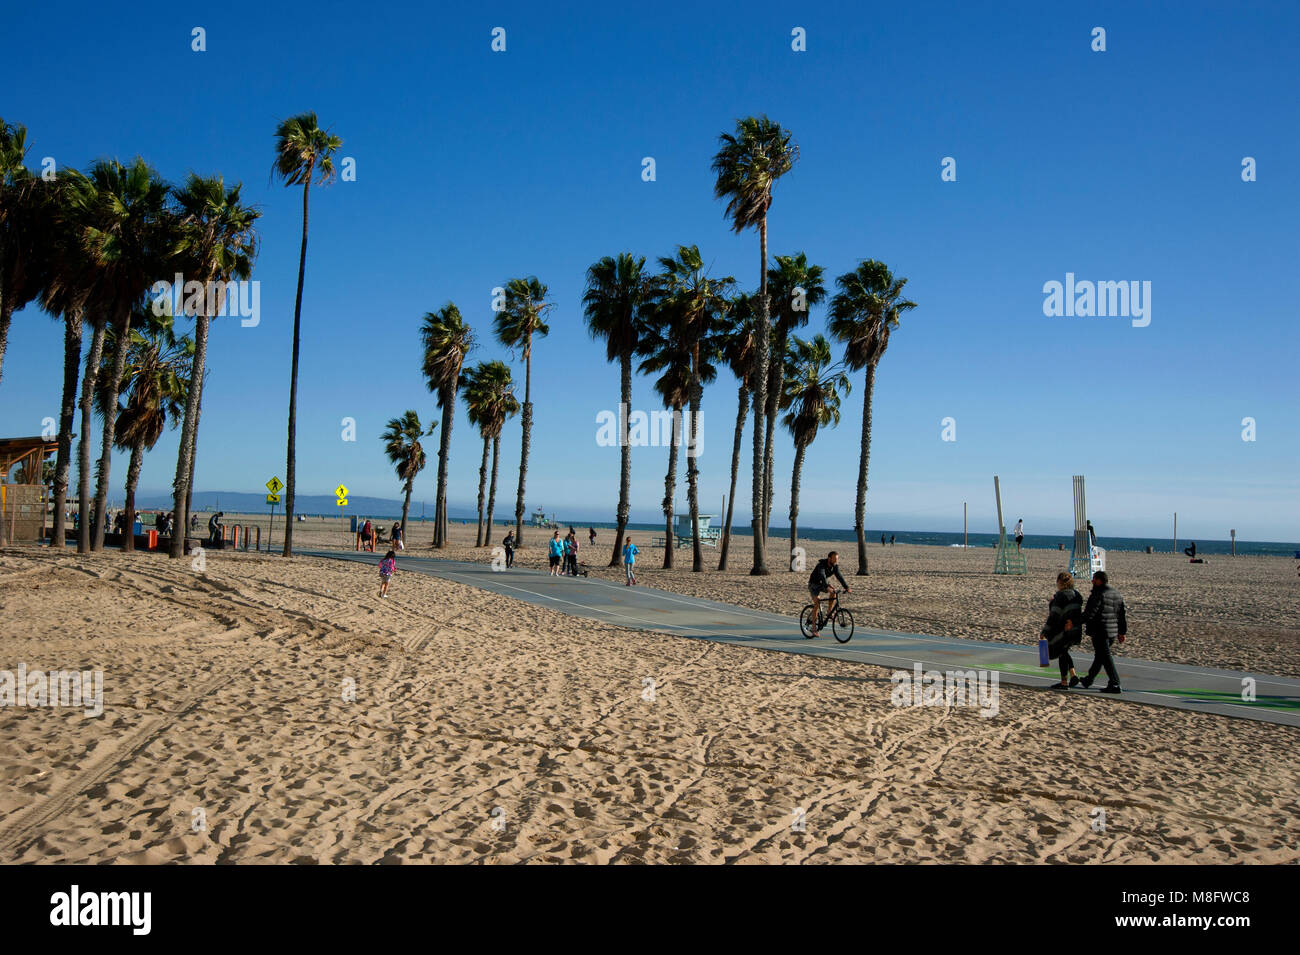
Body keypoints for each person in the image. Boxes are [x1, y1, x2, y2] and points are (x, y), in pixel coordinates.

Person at [1080, 570, 1127, 693]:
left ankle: (1115, 683)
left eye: (1094, 579)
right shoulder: (1117, 594)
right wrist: (1122, 632)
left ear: (1099, 580)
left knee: (1105, 658)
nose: (1092, 581)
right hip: (1112, 631)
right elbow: (1121, 615)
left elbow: (1090, 613)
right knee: (1100, 656)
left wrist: (1074, 622)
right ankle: (1089, 680)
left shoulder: (1098, 594)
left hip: (1100, 630)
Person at [1041, 572, 1084, 689]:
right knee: (1064, 651)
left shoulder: (1060, 597)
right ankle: (1072, 675)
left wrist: (1045, 630)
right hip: (1075, 628)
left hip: (1062, 628)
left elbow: (1054, 615)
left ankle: (1065, 681)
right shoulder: (1077, 595)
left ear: (1059, 583)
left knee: (1062, 652)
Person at [806, 551, 850, 638]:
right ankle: (814, 628)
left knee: (834, 591)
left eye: (837, 559)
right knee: (817, 604)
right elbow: (822, 576)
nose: (836, 561)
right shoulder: (821, 565)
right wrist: (826, 586)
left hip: (823, 584)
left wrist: (846, 587)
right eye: (834, 559)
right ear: (829, 558)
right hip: (814, 585)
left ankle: (829, 611)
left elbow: (839, 577)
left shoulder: (835, 567)